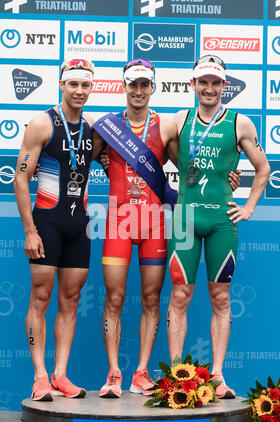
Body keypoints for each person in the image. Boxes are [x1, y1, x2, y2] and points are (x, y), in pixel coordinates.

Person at [94, 58, 240, 398]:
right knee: (113, 298)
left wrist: (227, 177)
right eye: (134, 84)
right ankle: (113, 373)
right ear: (124, 86)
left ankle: (141, 372)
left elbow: (191, 169)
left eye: (145, 84)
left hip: (154, 223)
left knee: (150, 299)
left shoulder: (165, 127)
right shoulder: (107, 127)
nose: (139, 90)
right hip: (118, 220)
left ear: (153, 87)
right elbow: (82, 162)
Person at [167, 55, 270, 398]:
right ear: (193, 84)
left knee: (220, 297)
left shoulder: (241, 123)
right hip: (184, 220)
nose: (209, 88)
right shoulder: (179, 120)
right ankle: (176, 376)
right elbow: (149, 151)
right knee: (180, 295)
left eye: (215, 82)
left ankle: (218, 375)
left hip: (222, 222)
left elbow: (264, 169)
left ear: (224, 86)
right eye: (203, 81)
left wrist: (250, 207)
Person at [14, 59, 96, 401]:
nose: (79, 90)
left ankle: (61, 374)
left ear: (92, 89)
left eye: (85, 85)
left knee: (71, 301)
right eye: (73, 84)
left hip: (79, 226)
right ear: (61, 85)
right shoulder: (40, 123)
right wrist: (30, 231)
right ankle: (40, 376)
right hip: (46, 222)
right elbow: (20, 177)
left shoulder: (93, 129)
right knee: (41, 298)